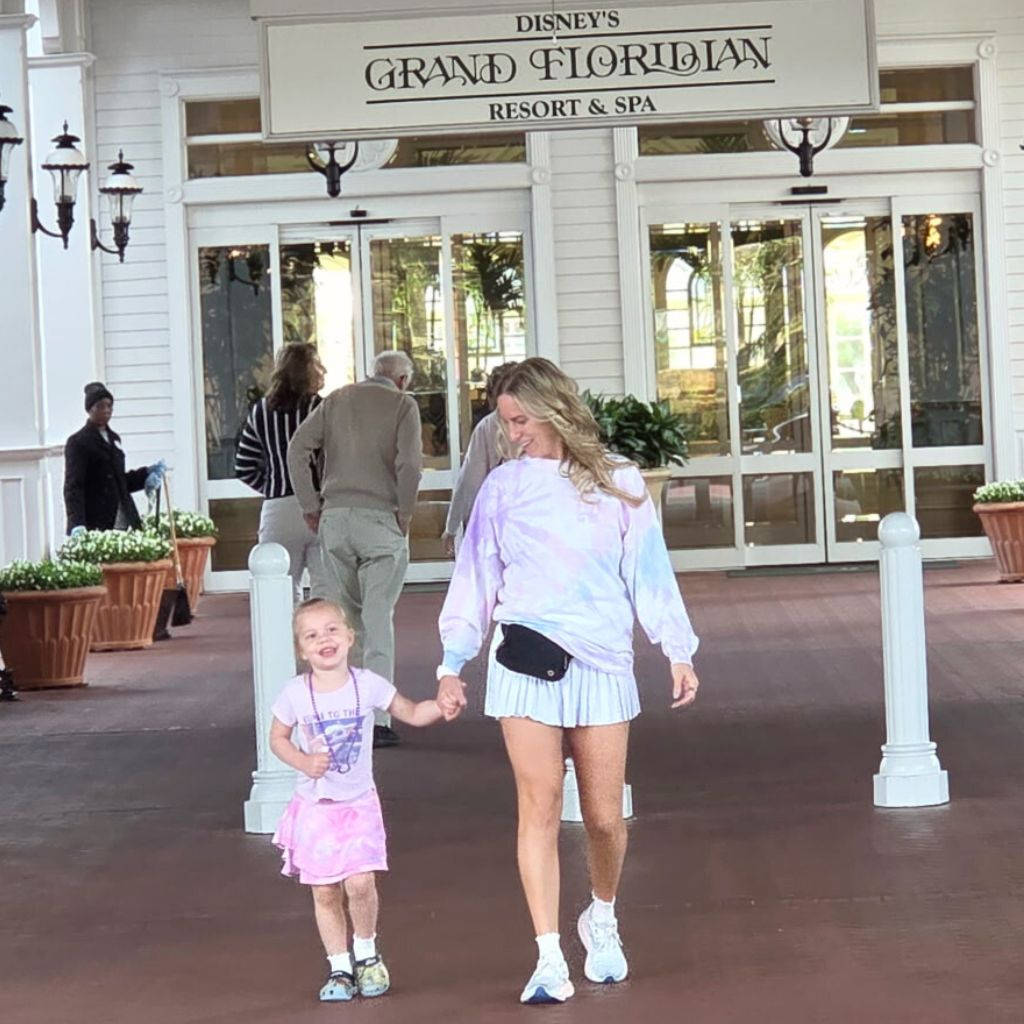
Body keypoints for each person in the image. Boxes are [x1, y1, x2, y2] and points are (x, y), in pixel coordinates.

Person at [434, 357, 700, 1005]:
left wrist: (678, 648)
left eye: (521, 420)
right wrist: (452, 661)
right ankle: (549, 956)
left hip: (603, 662)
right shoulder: (501, 488)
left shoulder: (619, 482)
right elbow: (475, 577)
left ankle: (600, 919)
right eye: (506, 422)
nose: (513, 433)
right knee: (541, 807)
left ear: (553, 410)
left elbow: (649, 573)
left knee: (606, 819)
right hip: (522, 663)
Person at [269, 597, 443, 1002]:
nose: (324, 640)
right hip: (316, 808)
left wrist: (442, 706)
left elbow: (412, 712)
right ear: (302, 649)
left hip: (359, 803)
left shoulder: (368, 684)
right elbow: (277, 737)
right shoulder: (295, 692)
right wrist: (302, 759)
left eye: (332, 629)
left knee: (361, 882)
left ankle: (366, 953)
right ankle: (339, 967)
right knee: (325, 889)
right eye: (311, 635)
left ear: (350, 636)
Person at [288, 350, 422, 749]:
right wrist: (406, 513)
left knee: (348, 620)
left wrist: (310, 505)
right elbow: (410, 465)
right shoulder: (402, 404)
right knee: (379, 616)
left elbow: (297, 450)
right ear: (401, 380)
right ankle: (377, 718)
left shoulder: (337, 400)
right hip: (380, 519)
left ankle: (344, 710)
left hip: (336, 519)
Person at [235, 343, 327, 602]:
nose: (324, 370)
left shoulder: (261, 411)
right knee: (327, 590)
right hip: (322, 507)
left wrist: (274, 486)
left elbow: (244, 465)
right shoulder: (320, 409)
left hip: (278, 509)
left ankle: (284, 642)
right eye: (318, 365)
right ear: (305, 371)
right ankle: (322, 640)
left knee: (280, 593)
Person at [63, 381, 165, 536]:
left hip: (125, 517)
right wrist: (77, 523)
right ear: (90, 409)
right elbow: (73, 487)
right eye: (100, 406)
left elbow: (119, 481)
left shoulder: (114, 439)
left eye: (109, 406)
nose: (106, 410)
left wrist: (146, 474)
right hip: (97, 521)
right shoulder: (78, 442)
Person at [441, 361, 518, 557]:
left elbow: (470, 480)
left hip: (497, 519)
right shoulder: (543, 422)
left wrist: (453, 526)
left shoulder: (488, 426)